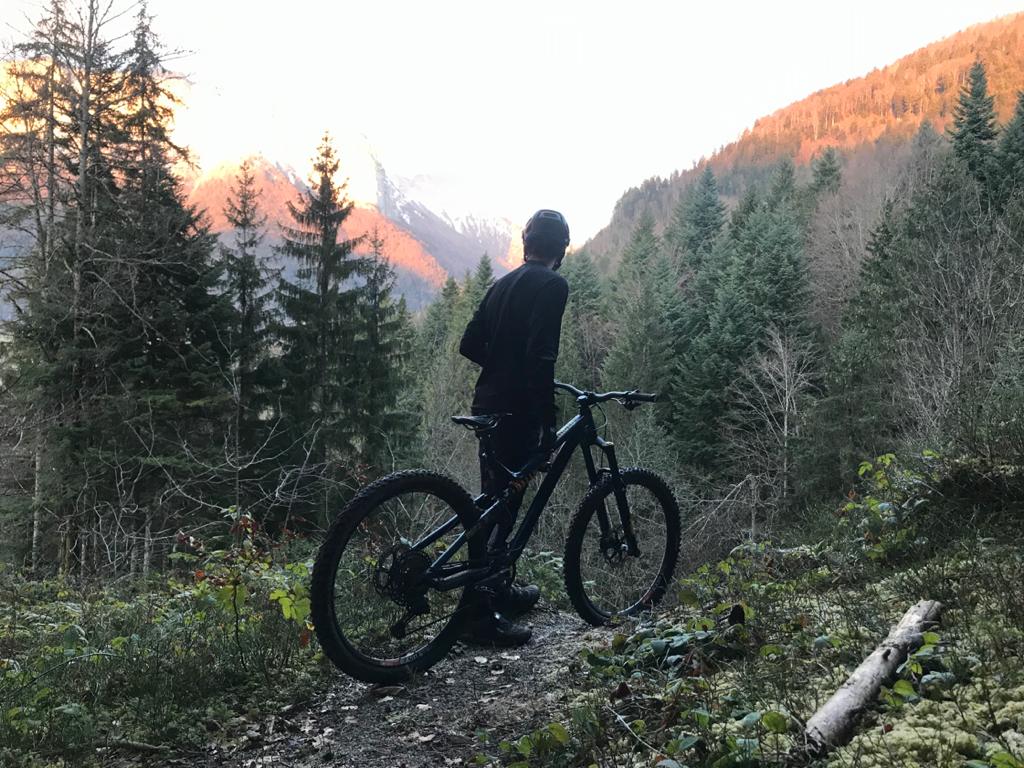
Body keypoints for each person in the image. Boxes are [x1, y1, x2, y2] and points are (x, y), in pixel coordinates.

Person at [458, 209, 571, 646]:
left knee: (497, 503)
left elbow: (469, 343)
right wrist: (547, 421)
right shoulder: (553, 285)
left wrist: (501, 365)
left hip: (488, 402)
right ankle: (477, 617)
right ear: (560, 248)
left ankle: (497, 587)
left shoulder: (502, 283)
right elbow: (542, 357)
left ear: (527, 243)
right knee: (502, 508)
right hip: (518, 411)